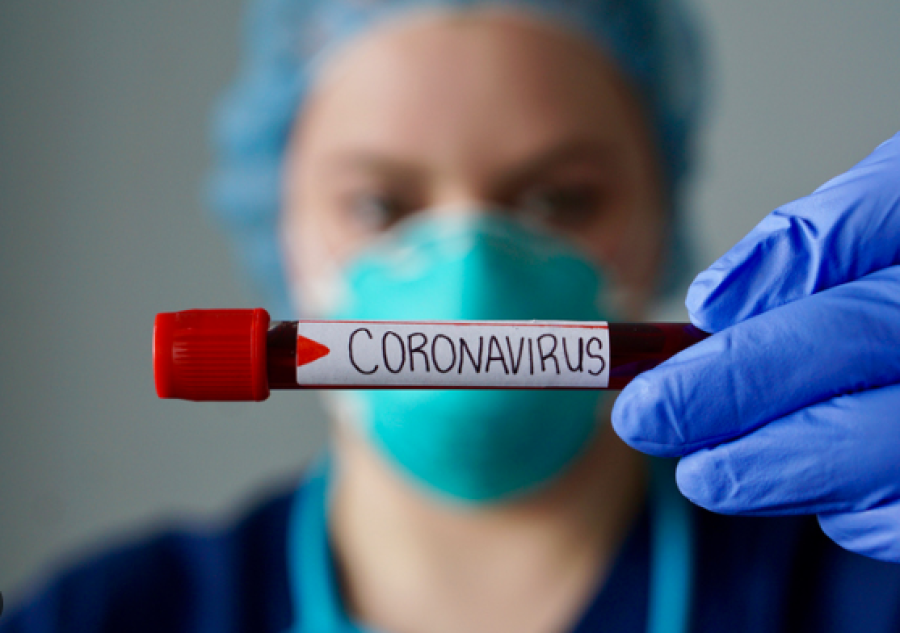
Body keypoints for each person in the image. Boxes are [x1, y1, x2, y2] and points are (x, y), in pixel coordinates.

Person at [3, 1, 900, 632]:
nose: (470, 266)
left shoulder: (862, 589)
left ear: (661, 216)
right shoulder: (101, 618)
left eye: (558, 199)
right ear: (280, 224)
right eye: (380, 205)